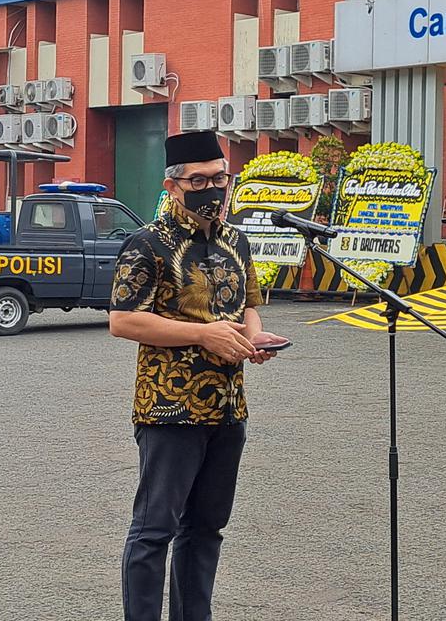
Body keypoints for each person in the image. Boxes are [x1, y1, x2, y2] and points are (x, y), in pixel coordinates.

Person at [110, 130, 288, 621]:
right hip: (170, 407)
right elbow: (123, 320)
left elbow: (249, 304)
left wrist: (255, 338)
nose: (212, 189)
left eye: (219, 178)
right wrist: (203, 334)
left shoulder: (237, 240)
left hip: (229, 407)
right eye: (199, 181)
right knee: (154, 531)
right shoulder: (145, 243)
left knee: (207, 528)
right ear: (172, 186)